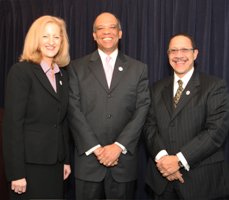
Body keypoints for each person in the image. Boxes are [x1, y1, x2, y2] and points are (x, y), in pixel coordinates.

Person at [68, 12, 150, 199]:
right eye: (100, 28)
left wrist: (118, 146)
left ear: (120, 33)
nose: (107, 32)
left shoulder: (138, 69)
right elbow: (73, 109)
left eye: (112, 27)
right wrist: (96, 148)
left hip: (123, 163)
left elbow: (142, 109)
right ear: (94, 35)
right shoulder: (76, 68)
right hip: (88, 161)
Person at [143, 33, 229, 200]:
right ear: (168, 55)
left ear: (195, 54)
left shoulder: (214, 86)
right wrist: (163, 160)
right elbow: (148, 126)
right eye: (173, 51)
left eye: (184, 50)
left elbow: (216, 131)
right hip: (162, 181)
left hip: (201, 182)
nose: (179, 55)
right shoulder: (156, 88)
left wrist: (179, 161)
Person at [2, 15, 71, 200]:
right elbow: (13, 126)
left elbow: (62, 121)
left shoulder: (63, 75)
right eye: (45, 36)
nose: (51, 42)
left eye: (56, 37)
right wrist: (16, 173)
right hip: (28, 166)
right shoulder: (21, 72)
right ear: (36, 39)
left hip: (55, 165)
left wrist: (66, 160)